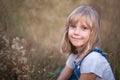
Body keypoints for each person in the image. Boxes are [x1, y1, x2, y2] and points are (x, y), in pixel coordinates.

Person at [57, 5, 115, 80]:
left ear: (92, 33)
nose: (76, 32)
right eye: (73, 26)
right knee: (62, 71)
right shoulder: (75, 55)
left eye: (84, 28)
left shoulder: (93, 59)